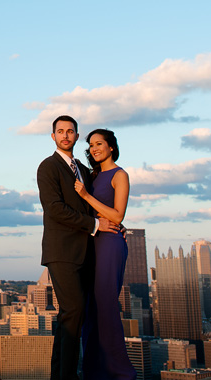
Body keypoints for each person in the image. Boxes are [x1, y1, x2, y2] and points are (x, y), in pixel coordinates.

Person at [37, 115, 120, 380]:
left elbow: (95, 205)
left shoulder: (83, 170)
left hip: (86, 252)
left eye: (70, 131)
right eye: (59, 131)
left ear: (75, 136)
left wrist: (113, 227)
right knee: (73, 311)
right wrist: (95, 225)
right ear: (53, 137)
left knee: (73, 316)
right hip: (62, 252)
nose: (65, 135)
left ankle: (61, 375)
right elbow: (55, 209)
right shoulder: (48, 167)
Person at [74, 129, 137, 380]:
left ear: (111, 147)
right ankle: (94, 370)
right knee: (90, 306)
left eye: (99, 143)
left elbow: (118, 215)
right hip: (92, 242)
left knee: (106, 305)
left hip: (110, 243)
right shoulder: (92, 175)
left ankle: (120, 372)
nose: (94, 148)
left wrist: (86, 196)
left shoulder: (120, 175)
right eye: (90, 145)